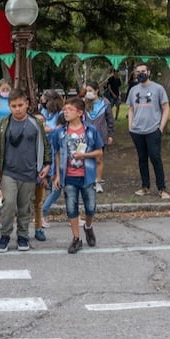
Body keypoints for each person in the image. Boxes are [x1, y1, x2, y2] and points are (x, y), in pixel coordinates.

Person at [0, 89, 51, 252]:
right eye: (14, 106)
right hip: (9, 172)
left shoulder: (35, 123)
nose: (17, 109)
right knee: (8, 204)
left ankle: (23, 236)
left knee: (25, 207)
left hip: (29, 172)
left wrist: (47, 165)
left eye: (20, 105)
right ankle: (5, 235)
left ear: (27, 104)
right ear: (9, 106)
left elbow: (45, 145)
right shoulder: (3, 123)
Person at [51, 97, 104, 254]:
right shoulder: (60, 132)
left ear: (80, 113)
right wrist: (58, 175)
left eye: (69, 109)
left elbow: (99, 152)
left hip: (87, 175)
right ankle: (76, 238)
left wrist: (84, 156)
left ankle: (88, 226)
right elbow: (58, 153)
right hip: (69, 176)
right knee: (71, 207)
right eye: (64, 109)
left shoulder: (90, 130)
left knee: (91, 207)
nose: (65, 112)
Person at [126, 63, 170, 198]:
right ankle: (145, 186)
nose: (140, 74)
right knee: (142, 159)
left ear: (149, 72)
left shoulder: (158, 88)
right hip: (137, 131)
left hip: (153, 130)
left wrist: (160, 128)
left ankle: (161, 188)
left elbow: (166, 107)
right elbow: (131, 108)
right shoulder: (133, 90)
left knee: (155, 158)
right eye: (138, 72)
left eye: (143, 71)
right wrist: (130, 126)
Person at [35, 90, 65, 241]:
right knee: (55, 187)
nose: (41, 100)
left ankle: (43, 214)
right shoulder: (43, 112)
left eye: (44, 99)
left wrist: (48, 129)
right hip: (47, 153)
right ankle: (42, 214)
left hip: (56, 150)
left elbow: (59, 130)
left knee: (58, 187)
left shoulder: (60, 114)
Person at [83, 81, 115, 193]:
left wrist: (110, 135)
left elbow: (110, 120)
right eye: (87, 91)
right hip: (85, 136)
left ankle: (98, 182)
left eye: (90, 90)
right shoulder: (84, 103)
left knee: (99, 159)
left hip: (100, 136)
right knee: (86, 159)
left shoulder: (105, 103)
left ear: (97, 90)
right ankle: (88, 181)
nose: (88, 93)